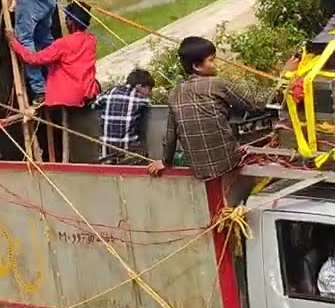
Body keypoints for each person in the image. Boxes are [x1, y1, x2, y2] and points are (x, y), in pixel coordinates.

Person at [147, 37, 255, 202]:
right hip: (227, 161)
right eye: (212, 60)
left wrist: (165, 161)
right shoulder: (217, 84)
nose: (215, 64)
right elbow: (253, 103)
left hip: (199, 169)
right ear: (197, 66)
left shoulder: (174, 93)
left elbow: (170, 134)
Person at [5, 0, 98, 110]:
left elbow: (32, 59)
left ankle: (40, 92)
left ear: (71, 22)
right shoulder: (91, 41)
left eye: (66, 19)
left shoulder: (63, 44)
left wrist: (13, 42)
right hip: (87, 93)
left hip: (68, 98)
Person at [93, 69, 155, 164]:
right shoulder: (141, 99)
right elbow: (151, 108)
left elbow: (94, 105)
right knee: (143, 151)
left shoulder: (110, 92)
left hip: (105, 151)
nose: (149, 93)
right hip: (127, 152)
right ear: (139, 86)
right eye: (149, 89)